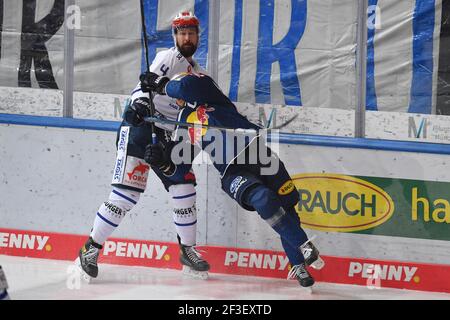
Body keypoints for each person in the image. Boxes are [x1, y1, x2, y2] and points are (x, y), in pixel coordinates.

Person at [140, 71, 325, 288]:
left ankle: (298, 264)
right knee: (263, 199)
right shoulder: (183, 122)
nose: (176, 97)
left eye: (176, 90)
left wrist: (162, 85)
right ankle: (304, 245)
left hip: (260, 155)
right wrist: (161, 160)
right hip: (231, 171)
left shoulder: (206, 92)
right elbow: (179, 168)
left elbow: (184, 86)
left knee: (288, 209)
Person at [77, 11, 210, 280]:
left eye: (191, 33)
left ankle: (187, 249)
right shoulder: (168, 57)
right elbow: (144, 84)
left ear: (198, 36)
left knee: (184, 187)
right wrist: (137, 105)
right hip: (140, 129)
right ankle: (90, 248)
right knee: (126, 196)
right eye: (182, 33)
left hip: (169, 138)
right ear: (175, 36)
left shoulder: (199, 75)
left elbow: (195, 117)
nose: (187, 38)